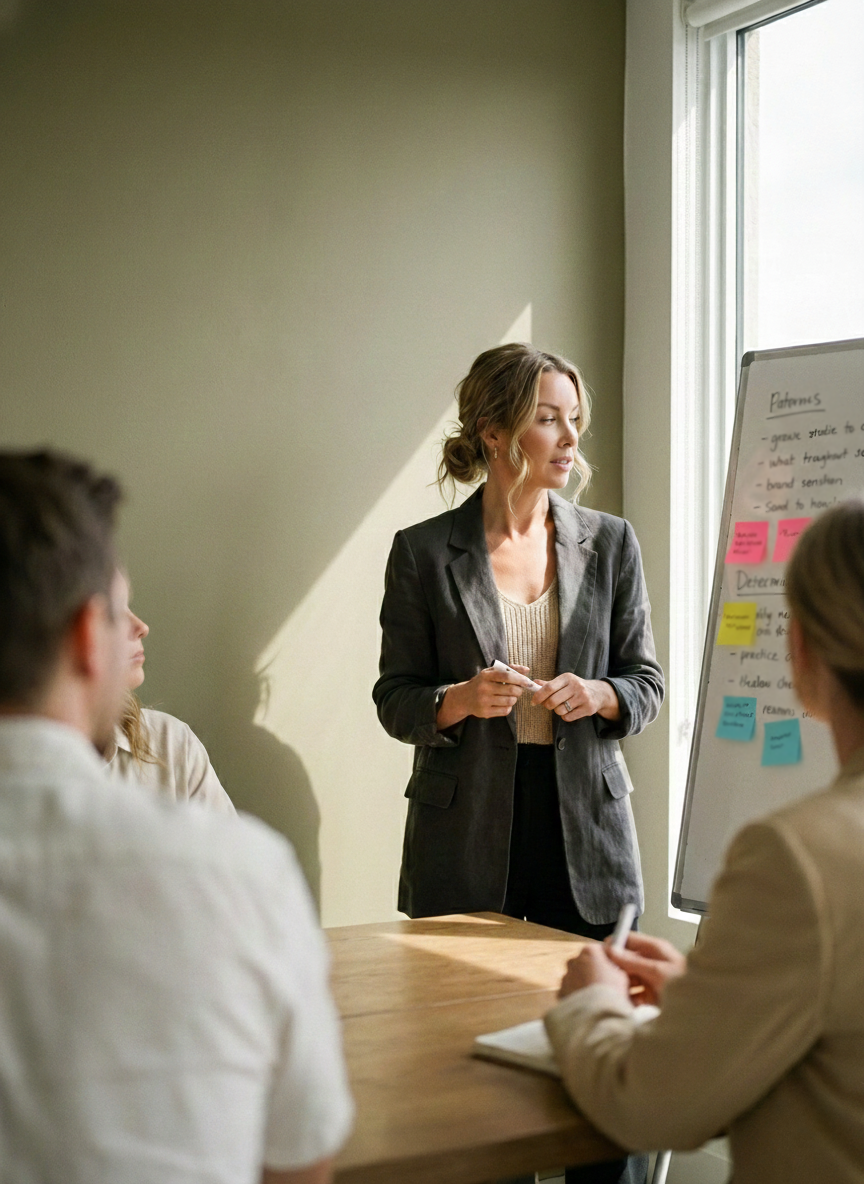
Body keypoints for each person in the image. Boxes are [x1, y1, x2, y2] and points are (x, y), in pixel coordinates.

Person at [0, 450, 353, 1183]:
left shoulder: (182, 766)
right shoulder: (246, 873)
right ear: (84, 638)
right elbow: (300, 1164)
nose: (140, 628)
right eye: (116, 611)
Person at [544, 499, 864, 1184]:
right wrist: (712, 997)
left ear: (801, 647)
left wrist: (590, 1001)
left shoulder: (796, 860)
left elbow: (648, 1104)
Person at [374, 343, 664, 937]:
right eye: (548, 418)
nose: (570, 438)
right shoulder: (422, 552)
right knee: (463, 996)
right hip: (465, 836)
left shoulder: (612, 543)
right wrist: (461, 698)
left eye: (573, 419)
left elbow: (646, 683)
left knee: (592, 997)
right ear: (494, 432)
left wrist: (598, 694)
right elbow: (395, 698)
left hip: (587, 832)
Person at [103, 572, 236, 813]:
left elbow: (232, 839)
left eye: (129, 606)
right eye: (114, 611)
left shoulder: (171, 743)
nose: (142, 627)